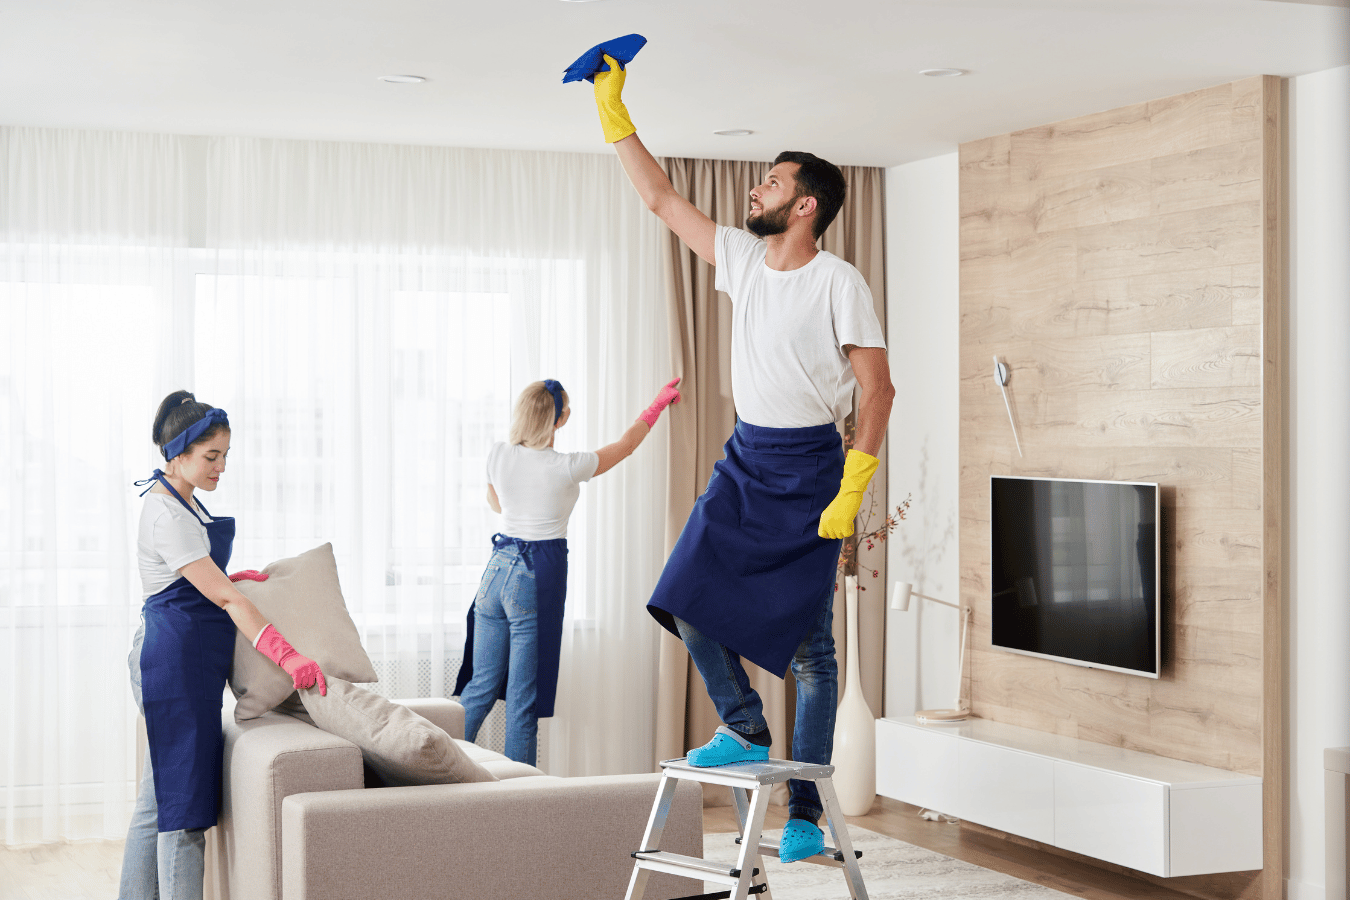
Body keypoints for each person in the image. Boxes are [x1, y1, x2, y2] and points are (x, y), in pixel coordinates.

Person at [586, 54, 895, 862]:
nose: (753, 193)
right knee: (683, 594)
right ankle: (745, 726)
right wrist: (613, 109)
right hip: (745, 458)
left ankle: (804, 815)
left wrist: (853, 489)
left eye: (768, 184)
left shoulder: (840, 282)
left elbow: (879, 391)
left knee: (811, 650)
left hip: (812, 470)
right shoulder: (745, 260)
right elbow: (658, 198)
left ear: (806, 204)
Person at [119, 391, 327, 900]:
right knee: (183, 810)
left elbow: (201, 578)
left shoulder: (184, 497)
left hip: (189, 657)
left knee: (158, 800)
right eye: (212, 456)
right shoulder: (166, 512)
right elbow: (224, 600)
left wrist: (232, 576)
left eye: (226, 456)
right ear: (178, 454)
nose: (222, 466)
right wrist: (286, 654)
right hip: (171, 660)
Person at [454, 377, 681, 766]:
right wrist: (656, 405)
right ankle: (522, 800)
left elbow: (497, 505)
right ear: (561, 419)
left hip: (495, 571)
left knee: (480, 687)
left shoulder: (498, 454)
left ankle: (434, 772)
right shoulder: (566, 466)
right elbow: (625, 446)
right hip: (533, 575)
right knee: (523, 700)